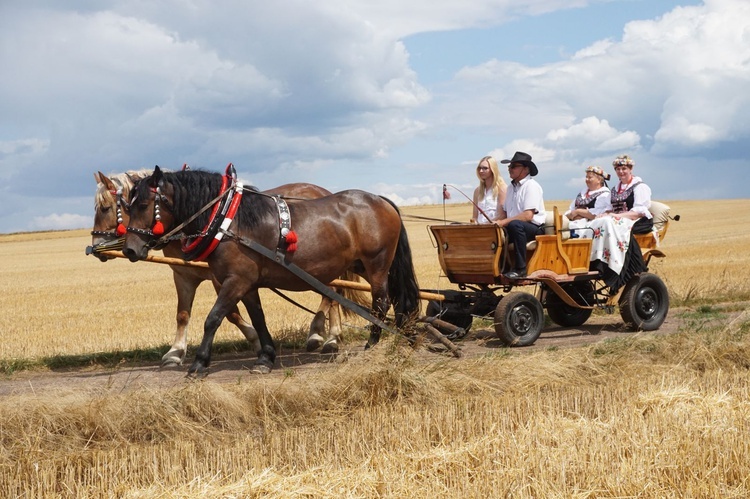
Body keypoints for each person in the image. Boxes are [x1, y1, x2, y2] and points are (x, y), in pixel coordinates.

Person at [495, 151, 546, 279]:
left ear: (525, 169)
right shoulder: (511, 188)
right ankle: (499, 267)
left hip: (534, 229)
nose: (509, 169)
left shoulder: (532, 186)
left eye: (513, 166)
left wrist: (503, 223)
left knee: (515, 225)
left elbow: (528, 216)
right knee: (495, 231)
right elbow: (505, 214)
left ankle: (521, 269)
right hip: (515, 227)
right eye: (509, 167)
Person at [603, 154, 653, 234]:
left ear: (631, 169)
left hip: (636, 222)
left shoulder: (640, 187)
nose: (621, 172)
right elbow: (608, 209)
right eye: (618, 169)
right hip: (616, 220)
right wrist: (604, 214)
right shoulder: (614, 190)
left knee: (608, 224)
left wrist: (616, 216)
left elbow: (638, 213)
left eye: (624, 169)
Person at [564, 165, 611, 238]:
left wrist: (578, 212)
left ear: (599, 180)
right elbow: (571, 210)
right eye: (586, 177)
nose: (587, 179)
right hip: (574, 223)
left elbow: (596, 215)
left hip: (589, 227)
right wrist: (571, 215)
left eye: (590, 177)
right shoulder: (582, 193)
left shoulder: (604, 195)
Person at [470, 156, 507, 224]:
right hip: (479, 229)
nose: (481, 171)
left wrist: (486, 225)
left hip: (495, 228)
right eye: (479, 168)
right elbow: (475, 216)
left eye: (485, 168)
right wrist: (474, 222)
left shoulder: (501, 188)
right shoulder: (477, 191)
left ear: (493, 169)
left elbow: (502, 215)